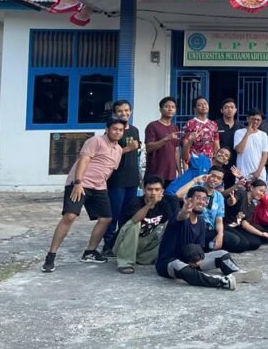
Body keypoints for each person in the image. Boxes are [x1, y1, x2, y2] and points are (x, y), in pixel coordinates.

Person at [41, 117, 125, 272]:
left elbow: (109, 169)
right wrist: (78, 183)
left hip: (99, 187)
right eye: (115, 129)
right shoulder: (96, 141)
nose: (117, 132)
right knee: (70, 216)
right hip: (80, 184)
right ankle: (51, 256)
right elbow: (83, 161)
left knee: (106, 218)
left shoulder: (119, 150)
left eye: (120, 130)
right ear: (107, 129)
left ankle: (90, 252)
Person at [155, 186, 261, 290]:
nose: (202, 202)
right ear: (188, 200)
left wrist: (198, 259)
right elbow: (181, 216)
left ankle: (236, 272)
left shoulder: (201, 222)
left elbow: (197, 247)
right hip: (168, 264)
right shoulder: (178, 214)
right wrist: (185, 211)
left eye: (204, 199)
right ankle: (220, 281)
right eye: (198, 198)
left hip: (190, 261)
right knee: (179, 265)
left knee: (222, 254)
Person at [113, 175, 177, 274]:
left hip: (146, 246)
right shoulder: (136, 201)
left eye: (157, 189)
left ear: (162, 191)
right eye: (150, 189)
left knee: (168, 227)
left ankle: (150, 258)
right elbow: (135, 219)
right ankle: (125, 262)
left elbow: (168, 225)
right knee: (135, 224)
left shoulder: (164, 203)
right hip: (125, 243)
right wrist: (150, 205)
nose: (153, 193)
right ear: (144, 190)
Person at [103, 99, 141, 256]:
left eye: (126, 110)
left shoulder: (134, 130)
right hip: (117, 179)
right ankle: (108, 245)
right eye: (120, 111)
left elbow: (137, 153)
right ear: (114, 113)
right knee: (114, 213)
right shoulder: (112, 131)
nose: (124, 114)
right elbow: (106, 154)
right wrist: (127, 149)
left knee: (127, 214)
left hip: (132, 178)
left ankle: (123, 243)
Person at [171, 165, 226, 252]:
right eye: (212, 176)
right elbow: (178, 195)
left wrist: (220, 234)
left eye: (218, 178)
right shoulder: (196, 189)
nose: (215, 179)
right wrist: (196, 180)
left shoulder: (219, 197)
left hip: (210, 229)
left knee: (233, 240)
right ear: (207, 175)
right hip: (194, 228)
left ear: (221, 181)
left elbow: (219, 220)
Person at [221, 181, 268, 253]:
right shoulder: (241, 192)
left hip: (237, 227)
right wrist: (232, 200)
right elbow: (231, 202)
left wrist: (262, 234)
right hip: (226, 225)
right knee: (243, 244)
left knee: (256, 243)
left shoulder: (252, 206)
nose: (262, 194)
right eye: (260, 190)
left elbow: (245, 224)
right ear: (252, 188)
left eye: (263, 192)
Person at [144, 96, 181, 188]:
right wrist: (166, 139)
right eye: (167, 106)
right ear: (160, 109)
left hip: (171, 173)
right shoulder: (152, 126)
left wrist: (179, 171)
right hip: (156, 171)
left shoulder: (175, 127)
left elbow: (176, 151)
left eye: (173, 107)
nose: (170, 109)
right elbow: (148, 148)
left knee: (168, 200)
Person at [233, 108, 268, 181]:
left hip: (259, 174)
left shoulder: (263, 135)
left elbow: (265, 154)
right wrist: (247, 134)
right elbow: (239, 150)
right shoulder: (239, 132)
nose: (255, 122)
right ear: (248, 119)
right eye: (253, 119)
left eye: (258, 120)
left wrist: (258, 172)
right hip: (242, 173)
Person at [182, 96, 219, 165]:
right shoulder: (190, 124)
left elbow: (216, 146)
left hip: (209, 162)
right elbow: (185, 148)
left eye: (205, 104)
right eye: (200, 105)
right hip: (195, 162)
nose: (203, 106)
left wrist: (217, 164)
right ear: (195, 109)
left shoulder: (213, 124)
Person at [215, 98, 244, 185]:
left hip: (235, 163)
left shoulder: (241, 127)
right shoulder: (215, 125)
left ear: (236, 110)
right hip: (220, 162)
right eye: (226, 107)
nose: (229, 110)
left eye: (232, 107)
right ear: (221, 110)